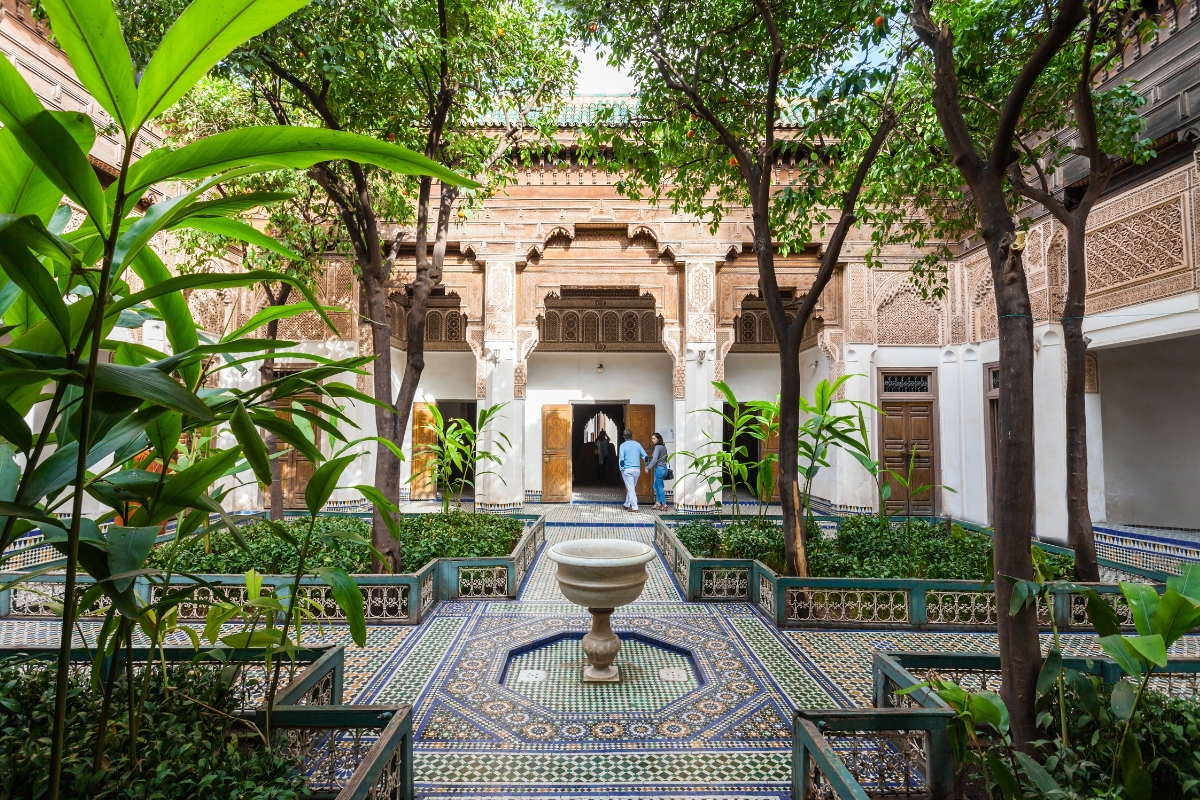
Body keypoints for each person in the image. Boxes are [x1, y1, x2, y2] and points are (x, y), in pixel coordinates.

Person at [618, 428, 647, 512]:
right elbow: (645, 456)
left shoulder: (623, 446)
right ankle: (627, 504)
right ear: (632, 436)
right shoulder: (637, 445)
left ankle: (634, 507)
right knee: (631, 487)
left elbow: (621, 459)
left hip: (627, 470)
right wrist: (647, 465)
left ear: (624, 437)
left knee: (630, 488)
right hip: (636, 470)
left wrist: (622, 469)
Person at [646, 432, 670, 511]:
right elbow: (666, 458)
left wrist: (648, 467)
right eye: (652, 438)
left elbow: (655, 458)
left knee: (660, 487)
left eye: (654, 438)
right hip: (664, 469)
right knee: (657, 486)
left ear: (658, 439)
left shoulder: (657, 447)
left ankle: (664, 504)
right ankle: (657, 503)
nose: (652, 440)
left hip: (659, 470)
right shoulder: (664, 447)